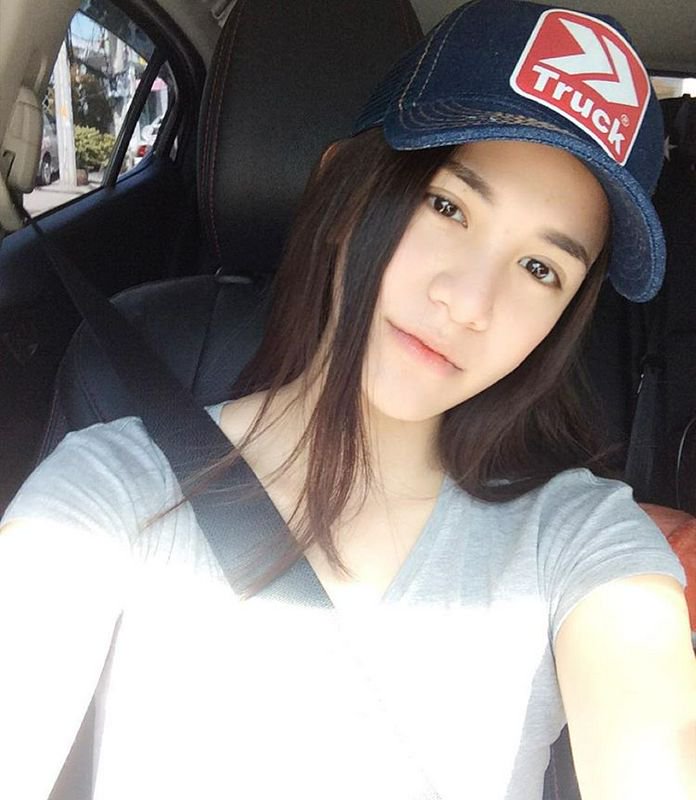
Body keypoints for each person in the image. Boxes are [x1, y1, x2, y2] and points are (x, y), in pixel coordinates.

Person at [1, 1, 695, 798]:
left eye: (542, 269)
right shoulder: (110, 492)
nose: (469, 303)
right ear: (342, 190)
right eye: (447, 206)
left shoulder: (584, 540)